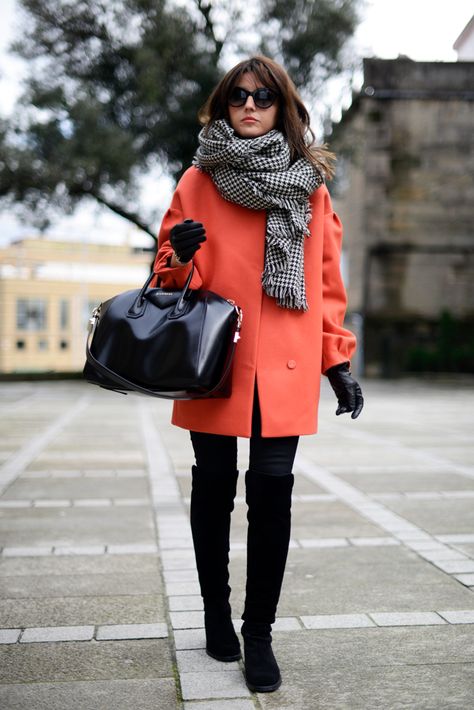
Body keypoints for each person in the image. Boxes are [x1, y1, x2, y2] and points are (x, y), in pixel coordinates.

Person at [153, 55, 364, 693]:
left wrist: (339, 361)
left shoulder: (310, 185)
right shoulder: (198, 179)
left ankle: (259, 632)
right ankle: (215, 611)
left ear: (282, 106)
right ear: (224, 104)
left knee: (272, 496)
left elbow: (327, 285)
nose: (250, 104)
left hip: (287, 362)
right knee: (213, 487)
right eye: (239, 95)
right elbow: (165, 276)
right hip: (214, 360)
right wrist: (178, 254)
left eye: (264, 96)